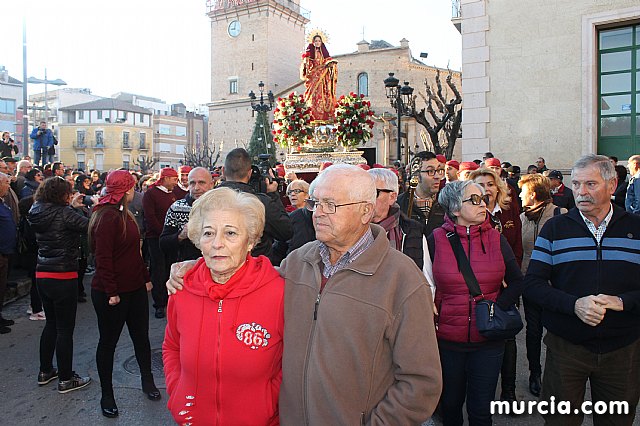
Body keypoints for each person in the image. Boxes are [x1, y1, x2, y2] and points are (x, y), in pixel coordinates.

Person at [167, 164, 443, 424]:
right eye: (315, 202)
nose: (318, 213)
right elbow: (244, 274)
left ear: (365, 211)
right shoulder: (299, 262)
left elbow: (420, 382)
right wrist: (197, 267)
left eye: (330, 205)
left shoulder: (403, 280)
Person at [524, 154, 640, 425]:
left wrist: (623, 302)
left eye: (590, 184)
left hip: (623, 350)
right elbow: (532, 284)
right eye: (575, 184)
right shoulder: (555, 229)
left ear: (612, 186)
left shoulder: (636, 228)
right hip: (566, 347)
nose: (581, 192)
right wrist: (573, 305)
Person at [163, 187, 284, 425]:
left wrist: (269, 403)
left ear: (250, 241)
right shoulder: (181, 288)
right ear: (198, 240)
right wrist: (178, 391)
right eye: (208, 233)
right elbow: (171, 346)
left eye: (230, 233)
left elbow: (295, 361)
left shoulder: (279, 292)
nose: (217, 244)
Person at [425, 180, 524, 426]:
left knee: (481, 411)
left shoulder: (496, 239)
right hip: (447, 342)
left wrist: (496, 308)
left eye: (485, 199)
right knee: (450, 407)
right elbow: (425, 284)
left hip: (488, 342)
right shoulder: (436, 240)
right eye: (475, 200)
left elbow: (519, 282)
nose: (484, 205)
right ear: (455, 208)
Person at [89, 171, 160, 418]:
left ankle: (147, 381)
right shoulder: (106, 217)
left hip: (135, 289)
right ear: (127, 190)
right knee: (108, 343)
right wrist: (112, 292)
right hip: (112, 293)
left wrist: (146, 278)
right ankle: (107, 395)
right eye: (132, 188)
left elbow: (134, 253)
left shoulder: (125, 215)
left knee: (141, 338)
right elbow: (103, 258)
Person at [28, 176, 91, 393]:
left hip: (42, 272)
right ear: (62, 194)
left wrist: (71, 208)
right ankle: (66, 378)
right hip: (63, 274)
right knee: (65, 329)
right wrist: (81, 209)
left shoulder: (36, 210)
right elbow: (90, 227)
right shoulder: (65, 213)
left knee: (51, 325)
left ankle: (45, 371)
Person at [469, 167, 523, 405]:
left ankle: (508, 390)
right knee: (482, 333)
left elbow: (517, 248)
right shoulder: (469, 213)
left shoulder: (508, 212)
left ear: (497, 187)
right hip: (481, 287)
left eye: (490, 184)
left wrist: (510, 277)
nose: (486, 189)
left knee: (507, 337)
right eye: (481, 184)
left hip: (506, 286)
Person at [518, 173, 566, 397]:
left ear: (533, 194)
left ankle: (559, 375)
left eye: (523, 192)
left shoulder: (560, 215)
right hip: (530, 283)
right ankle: (534, 372)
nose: (519, 195)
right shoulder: (521, 218)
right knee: (533, 330)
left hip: (555, 286)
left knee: (556, 331)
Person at [218, 148, 292, 264]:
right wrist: (273, 194)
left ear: (223, 171)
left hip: (216, 265)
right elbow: (286, 231)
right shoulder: (261, 203)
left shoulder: (207, 200)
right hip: (256, 270)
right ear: (250, 173)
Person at [369, 167, 427, 269]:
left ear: (392, 197)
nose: (367, 199)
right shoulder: (353, 229)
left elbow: (424, 277)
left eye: (374, 193)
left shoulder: (411, 230)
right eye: (364, 193)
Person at [143, 167, 179, 318]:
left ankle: (170, 298)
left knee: (170, 269)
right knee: (158, 271)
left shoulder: (173, 194)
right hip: (156, 238)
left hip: (170, 240)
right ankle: (159, 304)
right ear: (165, 178)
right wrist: (164, 233)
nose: (176, 182)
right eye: (174, 179)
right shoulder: (151, 194)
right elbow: (150, 217)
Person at [160, 167, 214, 264]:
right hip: (186, 269)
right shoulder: (176, 207)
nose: (196, 188)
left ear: (211, 185)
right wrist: (181, 235)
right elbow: (163, 243)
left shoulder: (221, 207)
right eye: (192, 183)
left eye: (201, 183)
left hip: (216, 267)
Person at [397, 151, 446, 237]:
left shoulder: (446, 204)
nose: (437, 176)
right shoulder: (399, 205)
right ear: (416, 175)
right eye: (430, 171)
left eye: (439, 170)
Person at [300, 32, 337, 122]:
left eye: (319, 41)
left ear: (321, 42)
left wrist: (331, 66)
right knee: (314, 95)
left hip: (324, 76)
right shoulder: (311, 54)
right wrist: (306, 60)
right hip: (314, 76)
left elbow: (330, 63)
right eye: (315, 41)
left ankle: (325, 115)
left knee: (324, 93)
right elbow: (308, 68)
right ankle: (314, 113)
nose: (317, 42)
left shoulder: (324, 53)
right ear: (313, 42)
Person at [0, 173, 17, 334]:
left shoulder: (3, 203)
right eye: (6, 183)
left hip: (6, 252)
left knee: (1, 287)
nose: (9, 186)